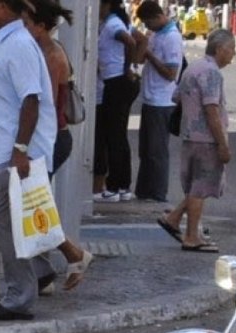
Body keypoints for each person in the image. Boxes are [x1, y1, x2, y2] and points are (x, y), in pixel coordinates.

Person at [0, 0, 57, 320]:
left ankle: (19, 298)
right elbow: (1, 107)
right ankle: (37, 266)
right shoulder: (0, 43)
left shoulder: (19, 45)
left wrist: (20, 150)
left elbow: (31, 101)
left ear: (4, 6)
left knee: (4, 223)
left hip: (13, 154)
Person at [22, 0, 94, 292]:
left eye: (27, 23)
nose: (23, 28)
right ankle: (46, 270)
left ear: (41, 26)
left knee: (35, 205)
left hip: (49, 138)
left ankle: (64, 260)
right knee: (34, 206)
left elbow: (44, 105)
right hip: (46, 138)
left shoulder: (51, 55)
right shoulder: (42, 50)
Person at [157, 29, 235, 253]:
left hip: (190, 136)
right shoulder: (212, 73)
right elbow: (211, 111)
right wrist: (222, 144)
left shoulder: (193, 68)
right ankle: (191, 236)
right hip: (206, 140)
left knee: (196, 187)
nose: (233, 54)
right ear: (220, 49)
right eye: (231, 49)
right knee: (199, 190)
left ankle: (174, 218)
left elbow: (177, 97)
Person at [132, 0, 184, 202]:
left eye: (148, 23)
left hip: (162, 101)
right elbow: (139, 59)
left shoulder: (172, 37)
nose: (148, 27)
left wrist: (150, 55)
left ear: (157, 17)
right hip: (150, 98)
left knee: (157, 151)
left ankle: (158, 193)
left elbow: (171, 73)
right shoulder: (155, 34)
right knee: (146, 150)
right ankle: (144, 191)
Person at [93, 0, 137, 203]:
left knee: (114, 137)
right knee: (118, 135)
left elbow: (131, 42)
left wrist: (127, 67)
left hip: (116, 81)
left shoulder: (113, 25)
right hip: (114, 81)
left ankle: (114, 186)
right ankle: (122, 185)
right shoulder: (111, 22)